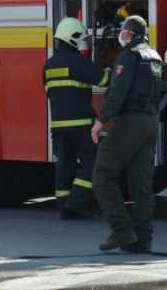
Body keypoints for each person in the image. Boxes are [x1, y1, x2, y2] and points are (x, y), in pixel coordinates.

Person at [92, 15, 163, 254]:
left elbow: (118, 92)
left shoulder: (128, 56)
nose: (121, 35)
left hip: (130, 122)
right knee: (142, 185)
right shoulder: (154, 56)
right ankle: (142, 240)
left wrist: (101, 121)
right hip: (151, 122)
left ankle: (122, 230)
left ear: (129, 34)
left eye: (123, 31)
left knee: (102, 175)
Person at [43, 17, 109, 220]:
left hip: (58, 127)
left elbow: (49, 92)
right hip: (81, 125)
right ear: (73, 39)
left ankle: (64, 207)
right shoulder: (80, 62)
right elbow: (104, 79)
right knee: (94, 161)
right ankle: (77, 202)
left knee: (65, 165)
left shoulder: (48, 65)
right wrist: (117, 68)